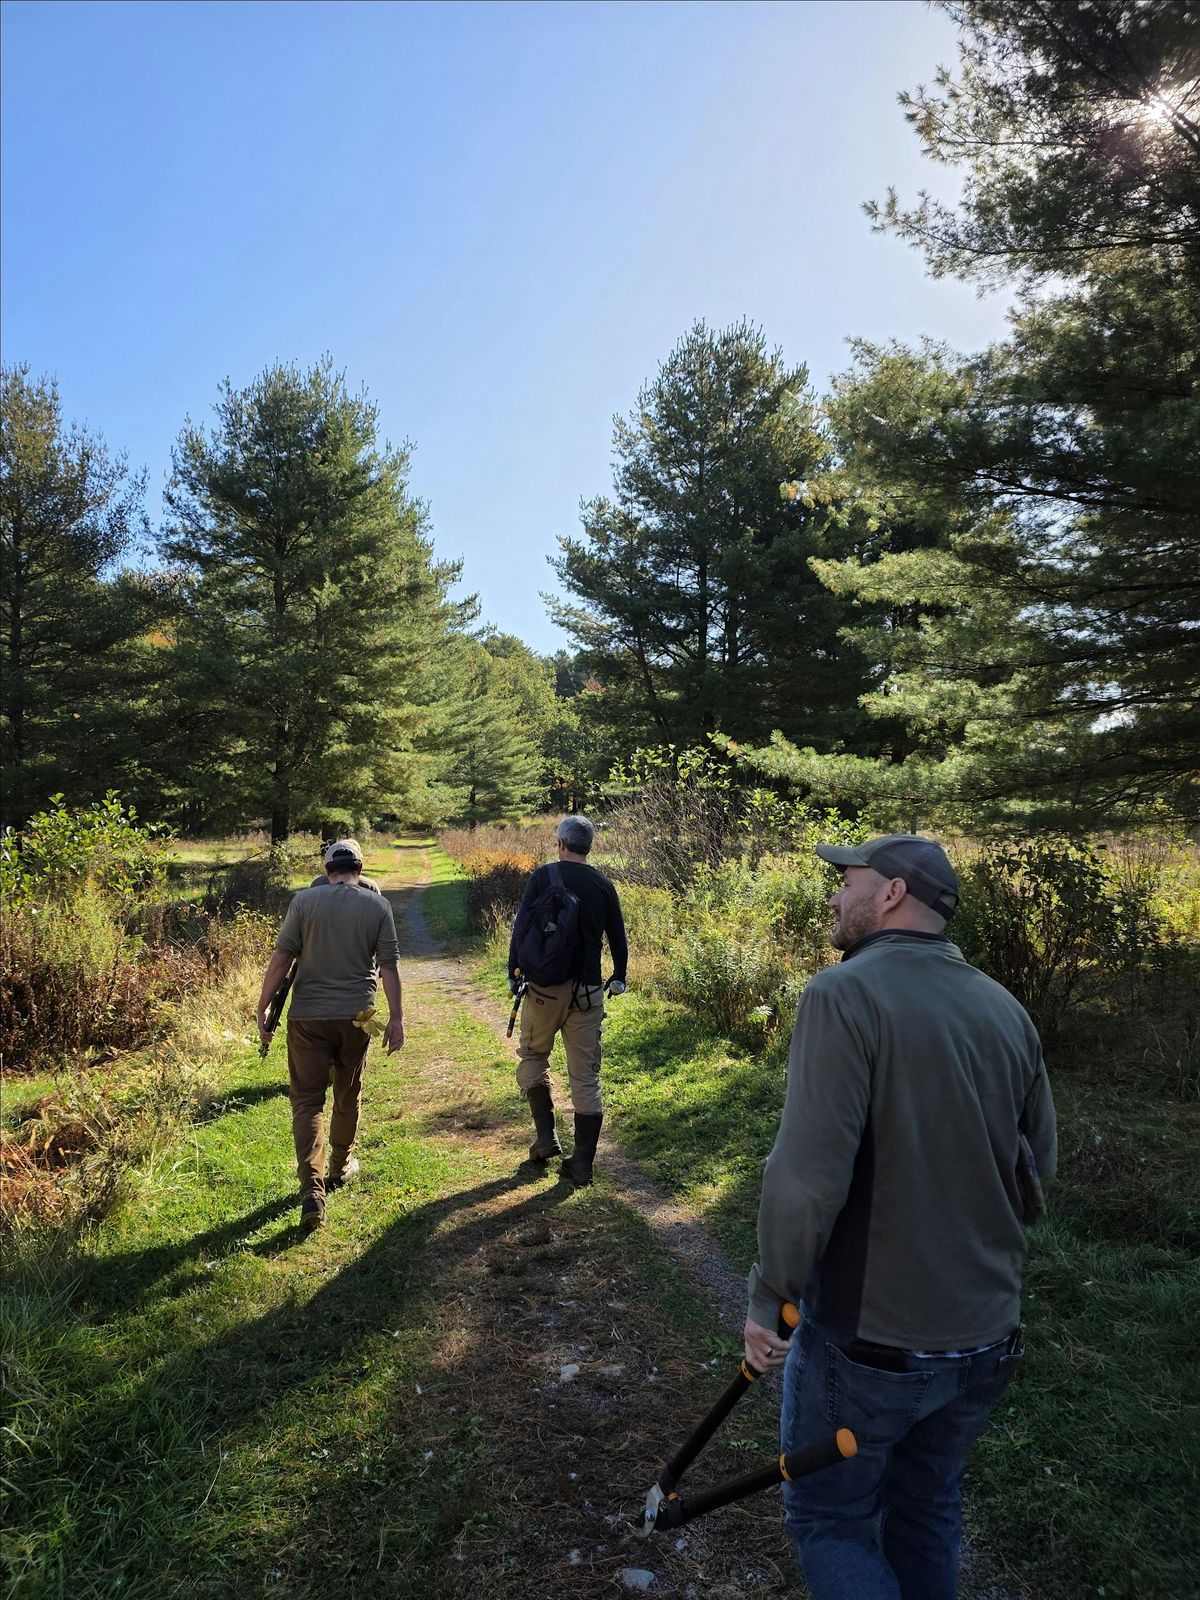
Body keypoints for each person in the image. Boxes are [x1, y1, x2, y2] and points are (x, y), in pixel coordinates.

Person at [744, 833, 1056, 1600]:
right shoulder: (1007, 1009)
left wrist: (770, 1298)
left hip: (873, 1345)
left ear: (890, 894)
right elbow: (1039, 1171)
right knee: (927, 1507)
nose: (833, 896)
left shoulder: (842, 994)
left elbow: (805, 1178)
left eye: (846, 880)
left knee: (831, 1520)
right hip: (987, 1339)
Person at [257, 838, 405, 1229]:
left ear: (327, 871)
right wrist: (396, 1018)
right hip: (359, 1014)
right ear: (360, 870)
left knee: (307, 1102)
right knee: (348, 1090)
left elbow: (282, 959)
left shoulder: (303, 902)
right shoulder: (378, 906)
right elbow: (389, 967)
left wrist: (263, 1006)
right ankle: (340, 1165)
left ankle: (312, 1191)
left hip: (307, 1016)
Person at [508, 814, 628, 1186]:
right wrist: (619, 975)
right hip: (588, 993)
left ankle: (546, 1139)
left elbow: (521, 927)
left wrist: (514, 972)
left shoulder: (543, 877)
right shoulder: (603, 884)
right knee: (586, 1078)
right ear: (589, 846)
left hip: (544, 990)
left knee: (533, 1056)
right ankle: (582, 1165)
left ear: (560, 843)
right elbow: (618, 937)